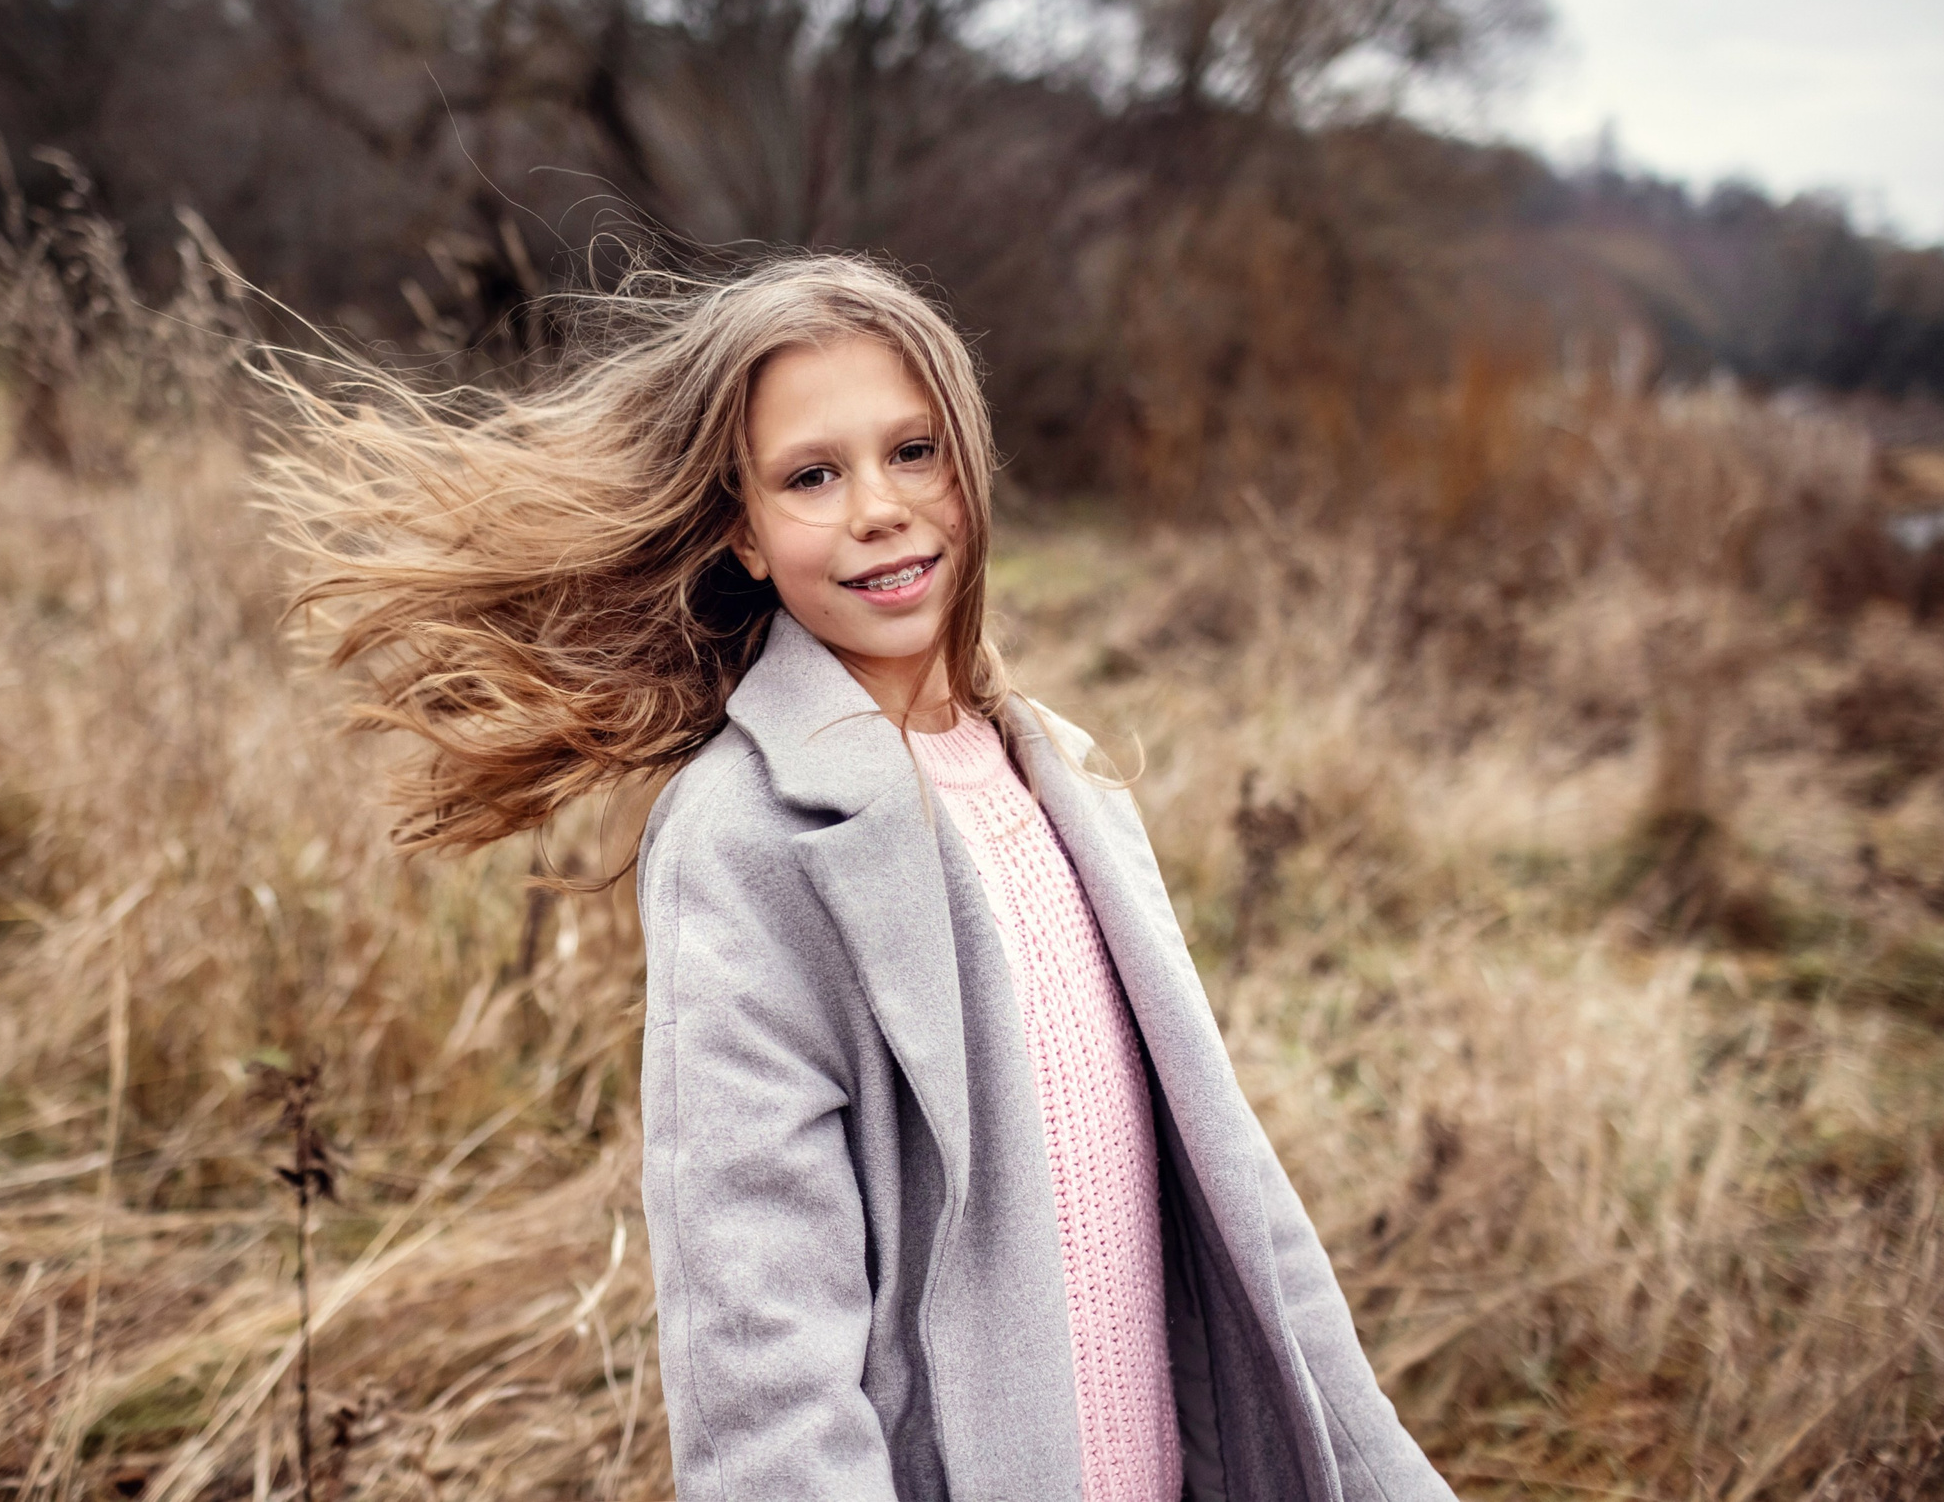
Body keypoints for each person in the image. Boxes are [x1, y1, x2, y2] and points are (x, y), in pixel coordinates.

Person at [271, 254, 1454, 1502]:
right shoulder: (743, 835)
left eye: (914, 451)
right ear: (740, 525)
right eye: (810, 477)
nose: (878, 509)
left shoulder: (1063, 775)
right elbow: (758, 1343)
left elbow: (1234, 1206)